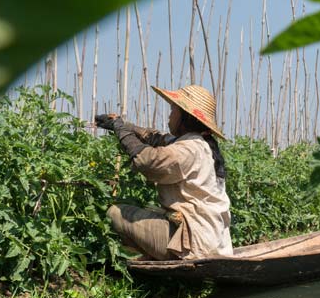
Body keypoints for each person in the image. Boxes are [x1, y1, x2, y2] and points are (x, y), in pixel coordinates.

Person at [96, 84, 233, 260]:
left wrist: (121, 130)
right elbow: (155, 137)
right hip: (214, 241)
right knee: (151, 211)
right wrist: (122, 124)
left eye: (173, 110)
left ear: (185, 116)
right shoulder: (200, 143)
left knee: (114, 213)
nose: (169, 116)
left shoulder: (189, 149)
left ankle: (140, 267)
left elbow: (147, 160)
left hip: (197, 244)